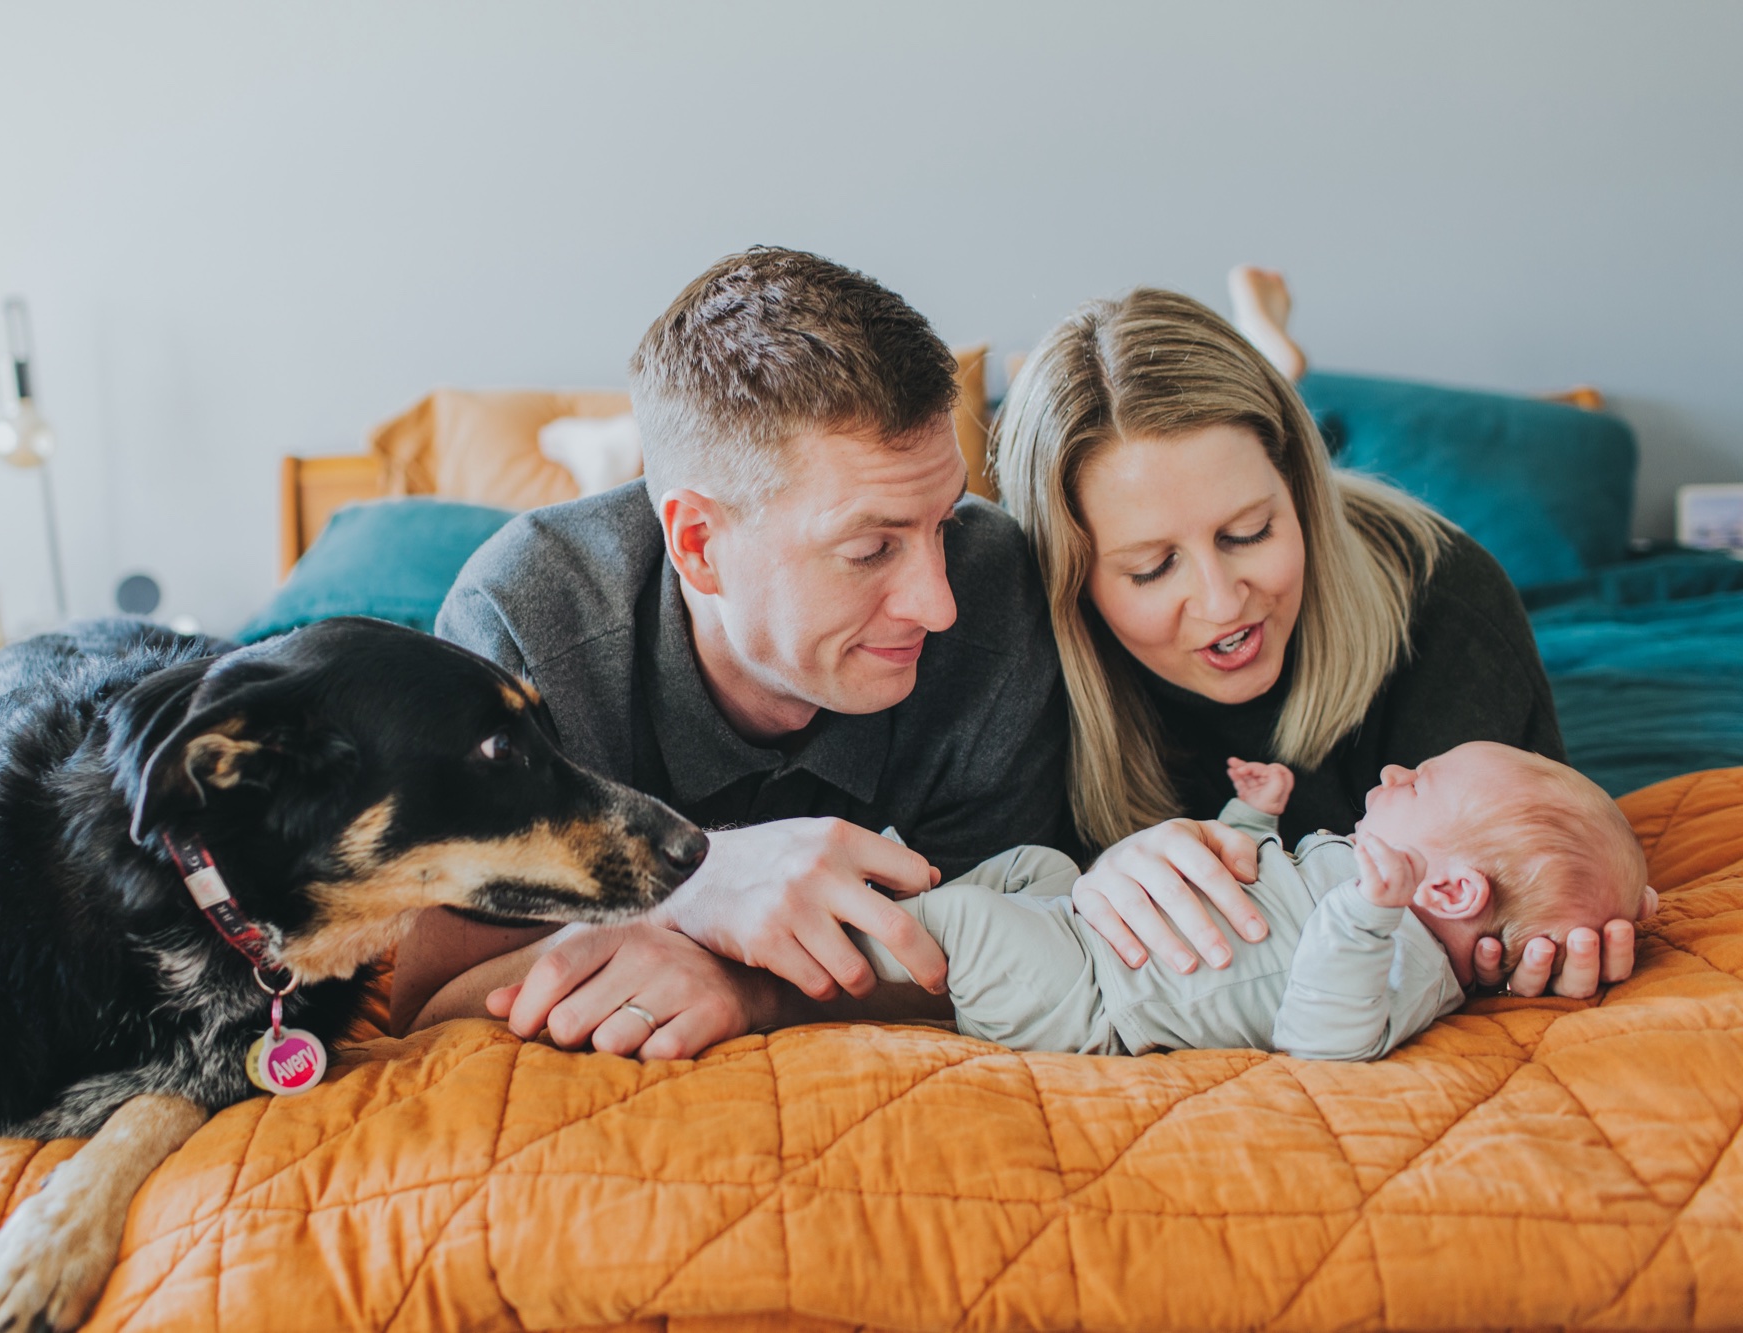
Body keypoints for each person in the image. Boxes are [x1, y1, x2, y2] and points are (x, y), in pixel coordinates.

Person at [389, 247, 1072, 1059]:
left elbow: (1027, 956)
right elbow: (425, 1008)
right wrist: (689, 888)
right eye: (869, 549)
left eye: (944, 521)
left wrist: (754, 987)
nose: (938, 602)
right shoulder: (525, 633)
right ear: (699, 543)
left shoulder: (995, 593)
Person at [990, 277, 1641, 1002]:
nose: (1221, 600)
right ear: (1071, 575)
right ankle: (1270, 351)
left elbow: (1527, 868)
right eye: (1151, 567)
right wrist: (1094, 884)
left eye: (1250, 531)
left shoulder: (1450, 606)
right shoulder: (1012, 651)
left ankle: (1273, 359)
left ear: (1299, 490)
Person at [851, 743, 1651, 1059]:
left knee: (969, 924)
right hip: (1087, 930)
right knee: (1036, 862)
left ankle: (845, 926)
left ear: (1449, 888)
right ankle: (905, 895)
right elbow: (1254, 885)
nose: (1398, 773)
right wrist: (1253, 818)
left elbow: (1324, 1039)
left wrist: (1367, 917)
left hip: (1091, 999)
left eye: (1423, 781)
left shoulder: (1399, 950)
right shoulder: (1372, 885)